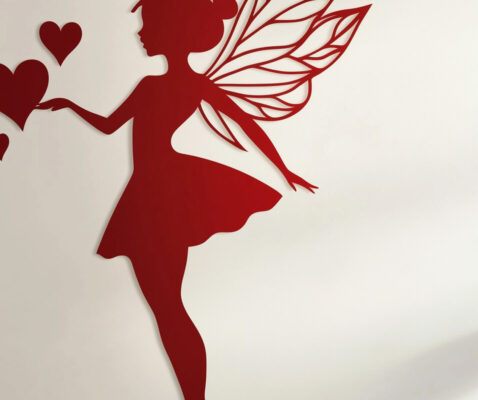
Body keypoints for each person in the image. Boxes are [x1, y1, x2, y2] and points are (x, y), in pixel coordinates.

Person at [38, 0, 316, 398]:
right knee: (167, 307)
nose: (139, 34)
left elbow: (244, 123)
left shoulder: (159, 86)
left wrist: (284, 169)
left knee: (167, 307)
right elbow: (109, 125)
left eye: (147, 27)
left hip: (162, 192)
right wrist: (69, 105)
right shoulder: (173, 85)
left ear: (171, 33)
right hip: (155, 191)